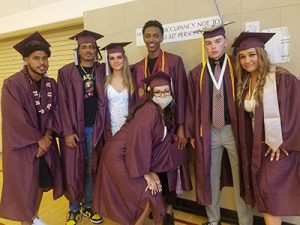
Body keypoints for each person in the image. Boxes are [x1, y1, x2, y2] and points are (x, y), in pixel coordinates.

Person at [185, 25, 253, 225]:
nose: (213, 47)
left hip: (234, 131)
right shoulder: (197, 72)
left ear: (225, 41)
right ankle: (213, 219)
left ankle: (245, 221)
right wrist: (191, 134)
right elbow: (191, 105)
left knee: (241, 178)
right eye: (208, 43)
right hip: (209, 132)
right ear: (204, 46)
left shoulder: (238, 65)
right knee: (209, 177)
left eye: (217, 42)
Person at [93, 71, 178, 225]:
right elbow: (139, 142)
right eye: (158, 92)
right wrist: (146, 173)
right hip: (118, 157)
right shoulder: (149, 110)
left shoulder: (162, 112)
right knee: (147, 193)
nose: (163, 95)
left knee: (150, 193)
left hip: (129, 156)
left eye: (166, 91)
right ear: (151, 94)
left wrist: (152, 171)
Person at [233, 32, 300, 225]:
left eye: (252, 54)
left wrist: (284, 141)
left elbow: (295, 110)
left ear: (261, 54)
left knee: (271, 194)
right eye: (242, 56)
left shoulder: (280, 78)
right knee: (265, 194)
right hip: (258, 148)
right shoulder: (245, 82)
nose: (247, 60)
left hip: (277, 147)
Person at [0, 32, 63, 225]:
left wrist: (48, 136)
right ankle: (27, 221)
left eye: (44, 58)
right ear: (25, 59)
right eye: (36, 58)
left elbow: (56, 112)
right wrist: (39, 140)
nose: (41, 62)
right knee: (25, 185)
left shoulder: (50, 84)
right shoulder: (12, 84)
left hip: (46, 142)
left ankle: (33, 216)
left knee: (43, 184)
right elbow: (14, 118)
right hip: (24, 146)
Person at [133, 20, 192, 225]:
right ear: (143, 38)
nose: (151, 40)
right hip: (149, 130)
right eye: (147, 35)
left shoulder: (174, 61)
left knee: (169, 169)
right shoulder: (138, 67)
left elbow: (183, 95)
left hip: (172, 127)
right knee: (151, 169)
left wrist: (183, 127)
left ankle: (168, 211)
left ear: (162, 37)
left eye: (155, 35)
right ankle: (154, 205)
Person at [57, 30, 105, 225]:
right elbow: (61, 104)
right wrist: (67, 131)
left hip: (97, 129)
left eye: (92, 47)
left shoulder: (102, 70)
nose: (88, 50)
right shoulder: (66, 72)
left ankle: (88, 205)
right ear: (77, 50)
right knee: (74, 169)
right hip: (75, 131)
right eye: (84, 47)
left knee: (91, 168)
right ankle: (73, 209)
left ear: (96, 50)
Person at [101, 42, 135, 139]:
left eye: (119, 57)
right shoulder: (104, 82)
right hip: (110, 129)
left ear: (124, 59)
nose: (116, 61)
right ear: (108, 61)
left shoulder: (132, 81)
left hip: (129, 128)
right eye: (112, 58)